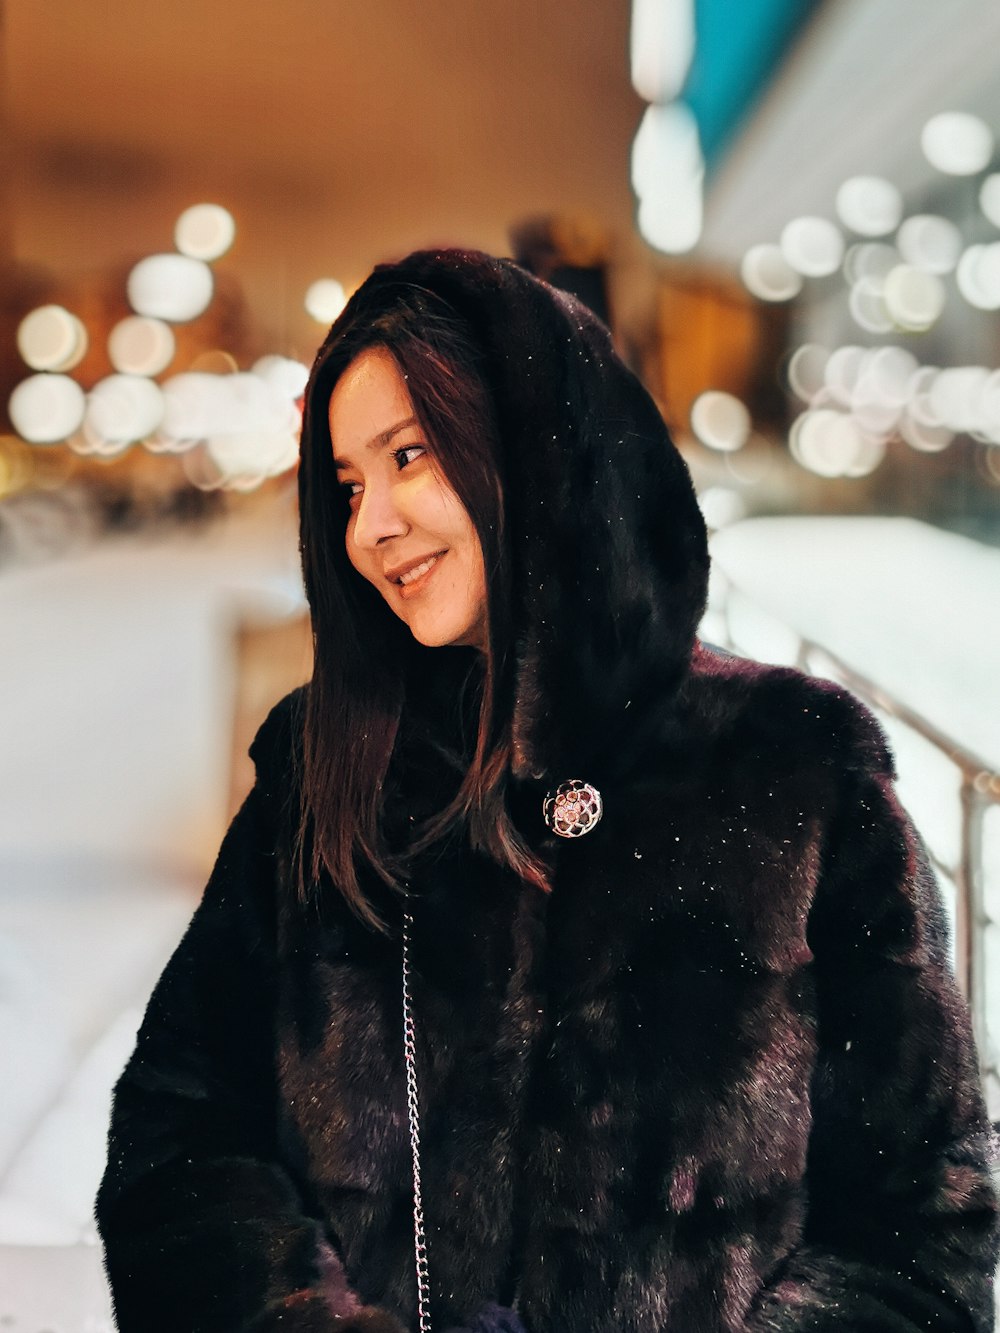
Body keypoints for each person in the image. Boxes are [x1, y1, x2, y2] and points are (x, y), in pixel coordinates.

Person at [97, 248, 999, 1333]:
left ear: (538, 450)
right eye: (345, 483)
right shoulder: (324, 769)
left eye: (410, 455)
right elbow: (179, 1140)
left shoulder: (792, 765)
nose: (370, 523)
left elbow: (922, 1223)